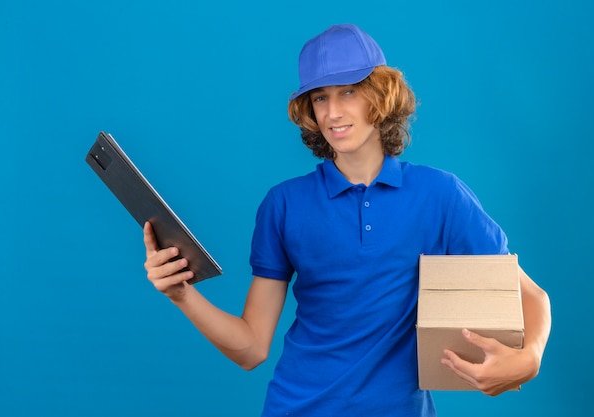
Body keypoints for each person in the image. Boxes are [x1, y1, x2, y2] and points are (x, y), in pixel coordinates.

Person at [143, 23, 551, 417]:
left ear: (380, 95)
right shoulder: (284, 204)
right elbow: (252, 348)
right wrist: (182, 294)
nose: (333, 112)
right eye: (320, 98)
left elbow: (533, 297)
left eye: (349, 92)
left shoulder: (440, 196)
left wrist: (529, 358)